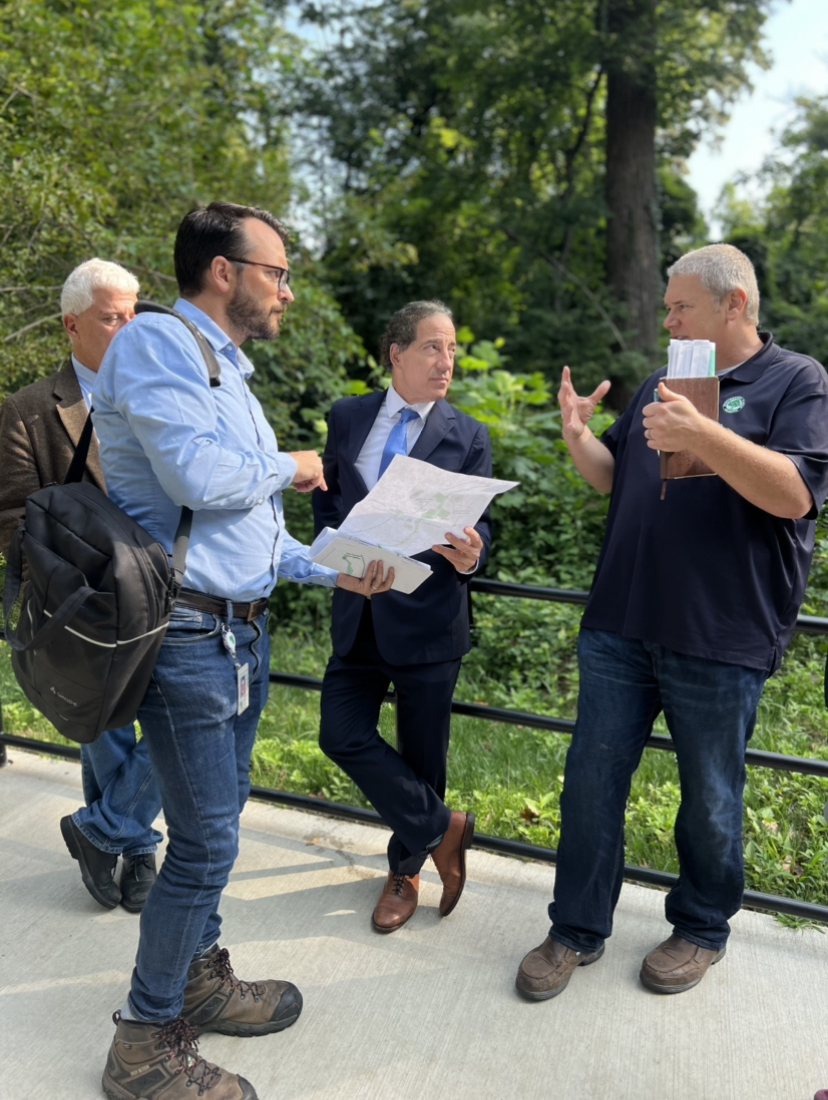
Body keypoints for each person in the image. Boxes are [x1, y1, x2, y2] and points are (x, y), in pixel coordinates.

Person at [92, 202, 390, 1100]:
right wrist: (293, 465)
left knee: (211, 829)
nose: (287, 291)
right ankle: (143, 1045)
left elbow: (251, 532)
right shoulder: (157, 344)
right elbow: (195, 478)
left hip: (236, 631)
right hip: (186, 632)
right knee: (205, 844)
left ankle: (198, 977)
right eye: (277, 272)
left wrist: (340, 568)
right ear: (224, 271)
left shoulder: (226, 371)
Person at [515, 243, 828, 1001]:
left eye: (681, 306)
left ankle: (701, 928)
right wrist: (578, 436)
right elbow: (614, 479)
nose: (669, 320)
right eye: (667, 307)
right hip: (621, 620)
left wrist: (703, 433)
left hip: (722, 632)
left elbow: (794, 494)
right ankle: (575, 929)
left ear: (735, 303)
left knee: (710, 795)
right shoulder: (666, 380)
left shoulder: (797, 380)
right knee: (590, 783)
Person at [313, 300, 492, 933]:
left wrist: (472, 555)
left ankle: (405, 871)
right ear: (396, 353)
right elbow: (328, 505)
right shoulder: (347, 417)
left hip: (429, 621)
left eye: (452, 350)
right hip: (357, 614)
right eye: (432, 347)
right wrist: (333, 560)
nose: (447, 361)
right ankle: (444, 828)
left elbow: (482, 531)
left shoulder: (469, 434)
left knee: (423, 758)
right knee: (339, 734)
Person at [0, 258, 163, 914]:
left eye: (133, 315)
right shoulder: (29, 410)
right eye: (111, 317)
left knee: (177, 719)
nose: (127, 328)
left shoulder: (163, 393)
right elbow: (12, 516)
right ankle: (135, 850)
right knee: (103, 724)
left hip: (163, 590)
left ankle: (110, 831)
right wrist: (75, 585)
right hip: (78, 603)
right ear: (72, 325)